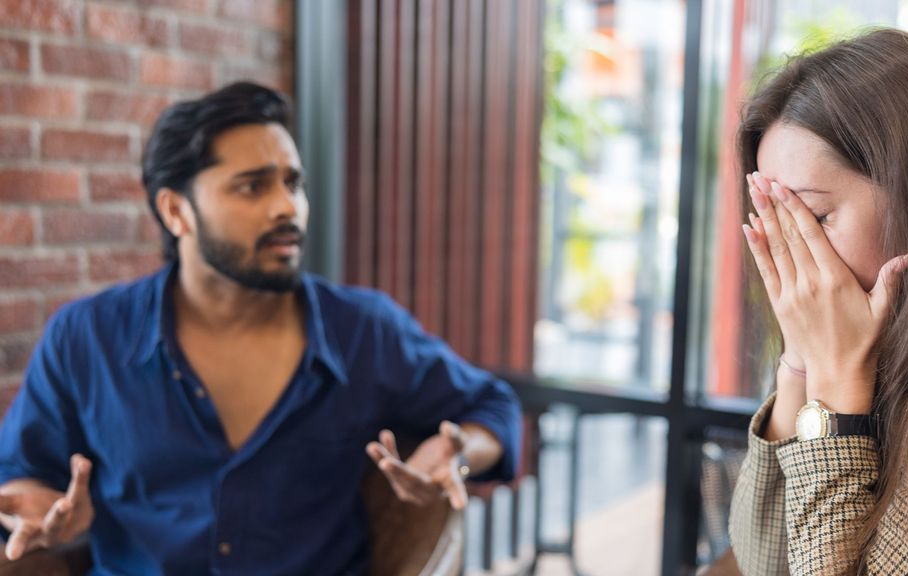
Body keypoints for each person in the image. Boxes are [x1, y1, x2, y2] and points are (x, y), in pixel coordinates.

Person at [0, 82, 522, 575]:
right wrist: (37, 507)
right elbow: (21, 470)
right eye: (252, 187)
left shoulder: (363, 329)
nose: (286, 207)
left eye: (293, 183)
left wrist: (458, 456)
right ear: (176, 210)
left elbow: (494, 408)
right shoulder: (86, 338)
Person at [728, 28, 908, 575]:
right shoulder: (875, 341)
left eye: (812, 220)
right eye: (774, 224)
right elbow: (764, 562)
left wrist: (838, 388)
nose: (791, 256)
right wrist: (800, 364)